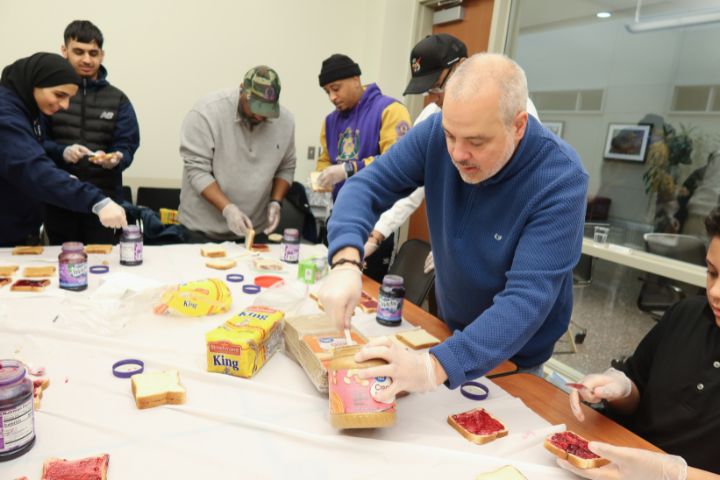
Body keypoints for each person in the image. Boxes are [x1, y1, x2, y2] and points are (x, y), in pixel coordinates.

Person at [319, 53, 588, 400]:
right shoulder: (436, 134)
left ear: (518, 125)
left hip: (514, 358)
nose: (458, 154)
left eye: (476, 142)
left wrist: (432, 367)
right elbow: (365, 187)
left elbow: (525, 302)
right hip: (450, 333)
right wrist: (345, 261)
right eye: (450, 136)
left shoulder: (560, 178)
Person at [562, 208, 720, 477]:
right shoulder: (687, 315)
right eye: (712, 273)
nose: (715, 293)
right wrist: (620, 389)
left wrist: (672, 474)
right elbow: (637, 390)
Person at [363, 34, 539, 274]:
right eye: (428, 91)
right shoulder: (432, 118)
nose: (435, 99)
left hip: (499, 249)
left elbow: (517, 190)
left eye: (437, 87)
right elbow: (409, 184)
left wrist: (465, 239)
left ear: (461, 66)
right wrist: (378, 232)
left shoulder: (511, 110)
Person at [0, 52, 127, 247]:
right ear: (34, 83)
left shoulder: (29, 110)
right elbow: (31, 166)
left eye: (69, 98)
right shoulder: (6, 114)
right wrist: (96, 200)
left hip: (20, 224)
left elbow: (35, 152)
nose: (65, 105)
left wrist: (61, 168)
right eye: (59, 95)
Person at [315, 53, 411, 281]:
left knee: (366, 293)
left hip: (376, 222)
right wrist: (320, 179)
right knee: (332, 285)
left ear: (356, 79)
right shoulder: (330, 121)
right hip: (339, 218)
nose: (332, 97)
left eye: (336, 88)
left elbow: (398, 162)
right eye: (327, 91)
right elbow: (326, 160)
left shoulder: (390, 110)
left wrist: (349, 169)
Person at [43, 20, 140, 245]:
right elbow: (36, 143)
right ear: (64, 51)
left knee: (104, 266)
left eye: (93, 53)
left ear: (102, 55)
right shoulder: (50, 94)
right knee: (63, 266)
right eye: (79, 51)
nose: (87, 59)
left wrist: (117, 158)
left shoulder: (118, 99)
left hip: (106, 202)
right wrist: (62, 151)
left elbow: (127, 144)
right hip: (59, 200)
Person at [178, 66, 296, 242]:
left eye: (267, 111)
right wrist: (228, 209)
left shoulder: (285, 121)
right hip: (200, 232)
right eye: (255, 108)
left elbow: (286, 167)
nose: (260, 116)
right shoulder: (206, 113)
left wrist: (276, 202)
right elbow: (197, 171)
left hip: (253, 232)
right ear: (242, 90)